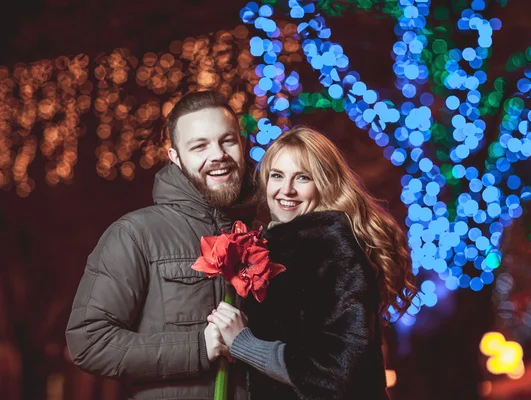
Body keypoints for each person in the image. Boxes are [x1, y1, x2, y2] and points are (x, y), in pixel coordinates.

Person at [65, 90, 254, 400]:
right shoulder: (136, 234)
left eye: (227, 141)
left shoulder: (264, 234)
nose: (218, 154)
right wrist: (197, 348)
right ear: (175, 157)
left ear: (242, 145)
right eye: (199, 146)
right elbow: (89, 341)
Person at [207, 126, 418, 399]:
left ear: (324, 183)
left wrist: (244, 343)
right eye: (277, 176)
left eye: (302, 177)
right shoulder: (281, 245)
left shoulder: (331, 249)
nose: (287, 190)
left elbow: (336, 371)